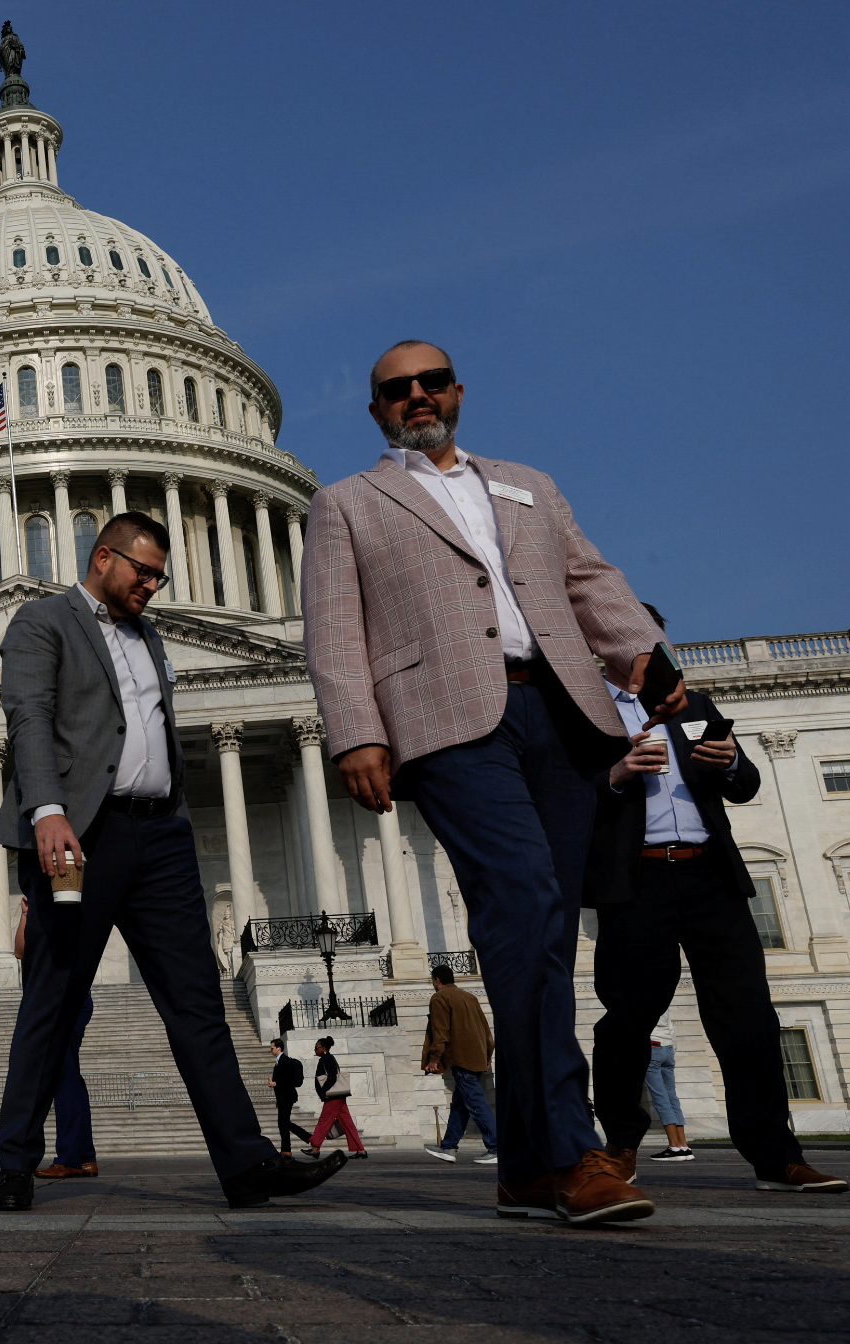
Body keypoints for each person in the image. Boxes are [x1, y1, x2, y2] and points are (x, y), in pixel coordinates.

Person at [303, 339, 673, 1225]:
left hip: (558, 709)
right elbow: (333, 625)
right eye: (398, 390)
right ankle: (575, 1151)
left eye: (431, 383)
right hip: (446, 720)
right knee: (526, 901)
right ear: (377, 409)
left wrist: (652, 667)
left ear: (457, 392)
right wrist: (356, 730)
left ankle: (522, 1167)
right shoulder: (346, 503)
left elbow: (590, 580)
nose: (417, 398)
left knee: (534, 934)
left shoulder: (529, 484)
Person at [0, 513, 342, 1212]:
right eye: (142, 571)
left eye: (160, 576)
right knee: (53, 1001)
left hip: (161, 838)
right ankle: (16, 1162)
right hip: (80, 836)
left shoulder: (150, 635)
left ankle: (245, 1165)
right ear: (102, 557)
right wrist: (47, 810)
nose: (153, 585)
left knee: (198, 1004)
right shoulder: (42, 622)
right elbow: (26, 716)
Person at [586, 610, 844, 1194]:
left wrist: (729, 762)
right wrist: (619, 772)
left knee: (749, 1018)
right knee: (628, 1019)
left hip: (712, 879)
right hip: (638, 883)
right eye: (649, 645)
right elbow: (569, 797)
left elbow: (746, 781)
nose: (662, 655)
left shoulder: (694, 706)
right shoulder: (588, 714)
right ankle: (620, 1149)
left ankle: (777, 1157)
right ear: (613, 646)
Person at [18, 897, 96, 1180]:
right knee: (69, 1078)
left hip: (67, 1001)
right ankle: (85, 1157)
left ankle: (70, 1158)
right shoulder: (39, 919)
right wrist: (27, 914)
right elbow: (20, 950)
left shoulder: (70, 916)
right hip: (50, 1002)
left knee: (63, 1079)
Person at [421, 965, 499, 1164]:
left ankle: (497, 1147)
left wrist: (434, 1059)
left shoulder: (439, 998)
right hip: (477, 1056)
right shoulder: (469, 997)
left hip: (461, 1057)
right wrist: (487, 1055)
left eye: (432, 980)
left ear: (437, 980)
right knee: (460, 1104)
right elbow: (486, 1030)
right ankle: (449, 1147)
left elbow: (440, 1032)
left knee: (475, 1102)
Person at [306, 1037, 368, 1160]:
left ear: (324, 1048)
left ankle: (315, 1147)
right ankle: (360, 1150)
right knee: (347, 1123)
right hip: (338, 1097)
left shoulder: (327, 1058)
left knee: (324, 1121)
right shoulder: (327, 1058)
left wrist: (324, 1091)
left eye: (317, 1047)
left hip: (333, 1097)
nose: (315, 1050)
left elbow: (333, 1077)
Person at [642, 1011, 689, 1162]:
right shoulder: (663, 999)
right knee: (671, 1097)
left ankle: (674, 1147)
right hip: (668, 1048)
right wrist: (672, 1049)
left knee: (660, 1098)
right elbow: (671, 1028)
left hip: (652, 1046)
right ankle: (684, 1146)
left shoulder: (639, 997)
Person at [268, 1040, 314, 1154]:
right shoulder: (278, 1062)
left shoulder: (285, 1061)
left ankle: (305, 1139)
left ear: (279, 1048)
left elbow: (289, 1079)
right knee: (283, 1123)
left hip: (287, 1096)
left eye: (272, 1048)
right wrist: (278, 1098)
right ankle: (287, 1149)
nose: (271, 1050)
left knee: (283, 1123)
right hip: (283, 1097)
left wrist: (275, 1083)